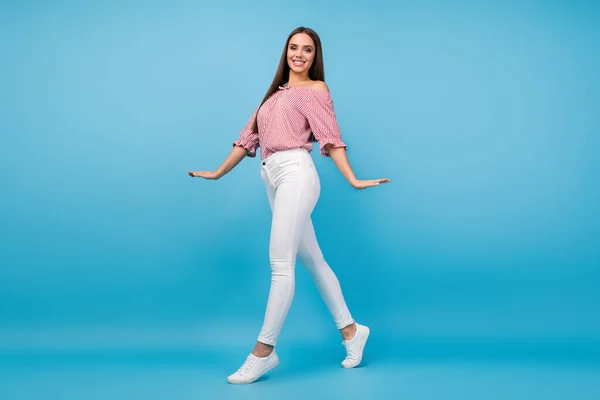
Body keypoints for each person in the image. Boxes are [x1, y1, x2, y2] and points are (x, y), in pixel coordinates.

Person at [188, 26, 390, 384]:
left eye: (307, 50)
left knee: (280, 265)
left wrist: (353, 179)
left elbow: (331, 138)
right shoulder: (273, 95)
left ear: (315, 56)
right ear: (286, 52)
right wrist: (218, 172)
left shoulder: (315, 90)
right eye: (293, 48)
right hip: (273, 176)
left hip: (297, 172)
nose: (299, 54)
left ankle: (263, 352)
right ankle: (351, 331)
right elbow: (247, 138)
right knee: (313, 260)